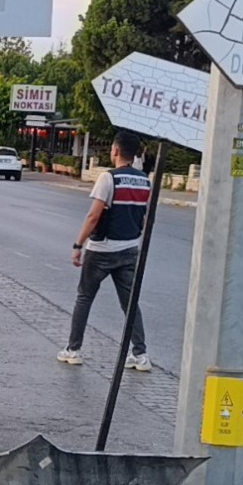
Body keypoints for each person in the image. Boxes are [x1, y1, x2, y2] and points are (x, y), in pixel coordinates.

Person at [59, 130, 152, 371]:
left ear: (116, 151)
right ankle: (140, 354)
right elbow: (143, 218)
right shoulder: (144, 180)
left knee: (84, 297)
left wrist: (78, 244)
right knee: (130, 304)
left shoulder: (108, 179)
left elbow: (94, 215)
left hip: (101, 249)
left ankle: (73, 349)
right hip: (130, 248)